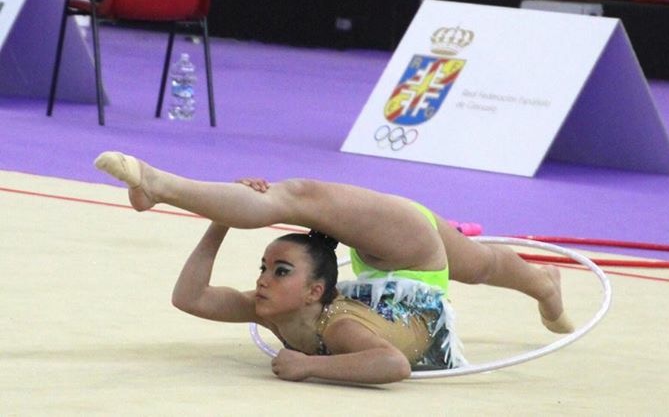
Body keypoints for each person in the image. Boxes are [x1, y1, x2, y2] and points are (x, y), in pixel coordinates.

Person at [94, 151, 573, 385]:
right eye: (266, 268)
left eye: (280, 271)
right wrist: (221, 221)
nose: (262, 279)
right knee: (480, 265)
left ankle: (162, 185)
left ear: (312, 291)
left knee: (297, 196)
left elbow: (392, 364)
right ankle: (544, 284)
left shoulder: (331, 324)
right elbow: (190, 298)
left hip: (400, 259)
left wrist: (308, 365)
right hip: (410, 268)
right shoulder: (295, 312)